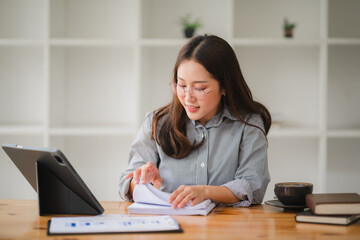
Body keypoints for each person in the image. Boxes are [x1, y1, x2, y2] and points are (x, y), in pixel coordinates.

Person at [118, 34, 271, 208]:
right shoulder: (156, 123)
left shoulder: (248, 124)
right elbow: (126, 183)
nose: (188, 97)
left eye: (199, 88)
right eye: (181, 85)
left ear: (225, 86)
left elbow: (253, 185)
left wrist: (206, 192)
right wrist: (146, 184)